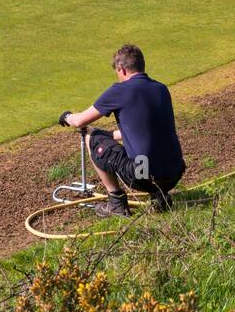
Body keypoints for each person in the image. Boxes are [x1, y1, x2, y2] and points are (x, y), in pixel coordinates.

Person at [58, 44, 186, 217]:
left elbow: (80, 121)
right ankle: (160, 197)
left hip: (144, 176)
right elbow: (146, 131)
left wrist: (67, 117)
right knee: (148, 152)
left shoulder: (120, 90)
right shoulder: (161, 89)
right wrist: (110, 135)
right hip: (174, 172)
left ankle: (116, 203)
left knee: (92, 137)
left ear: (122, 70)